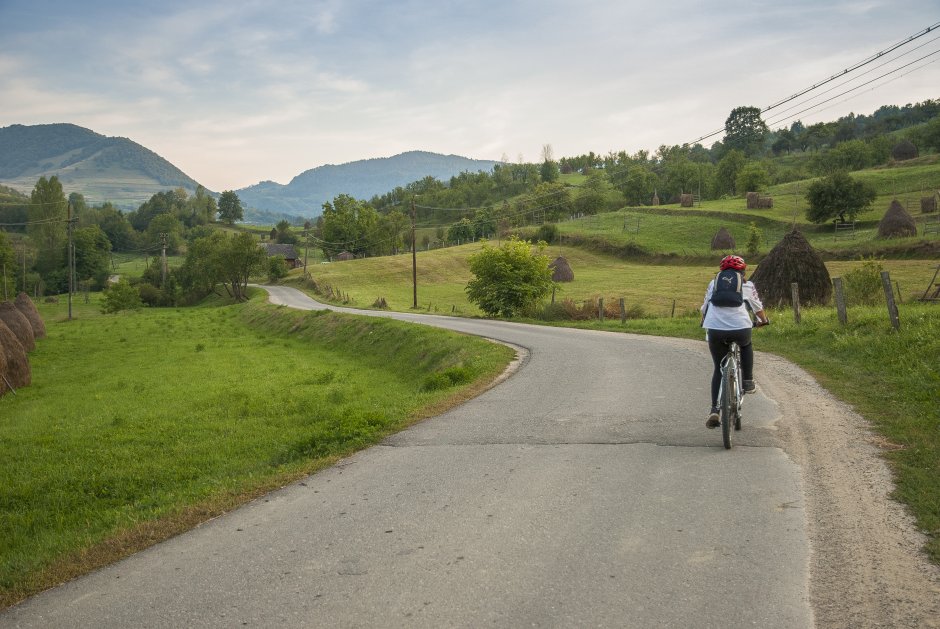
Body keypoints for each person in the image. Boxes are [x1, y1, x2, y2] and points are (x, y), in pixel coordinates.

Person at [700, 255, 769, 428]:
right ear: (743, 271)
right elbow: (757, 307)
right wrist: (763, 320)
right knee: (746, 344)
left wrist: (704, 321)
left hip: (715, 329)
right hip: (740, 328)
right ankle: (748, 381)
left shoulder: (713, 284)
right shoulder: (747, 285)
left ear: (722, 271)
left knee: (719, 368)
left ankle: (715, 410)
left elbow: (704, 307)